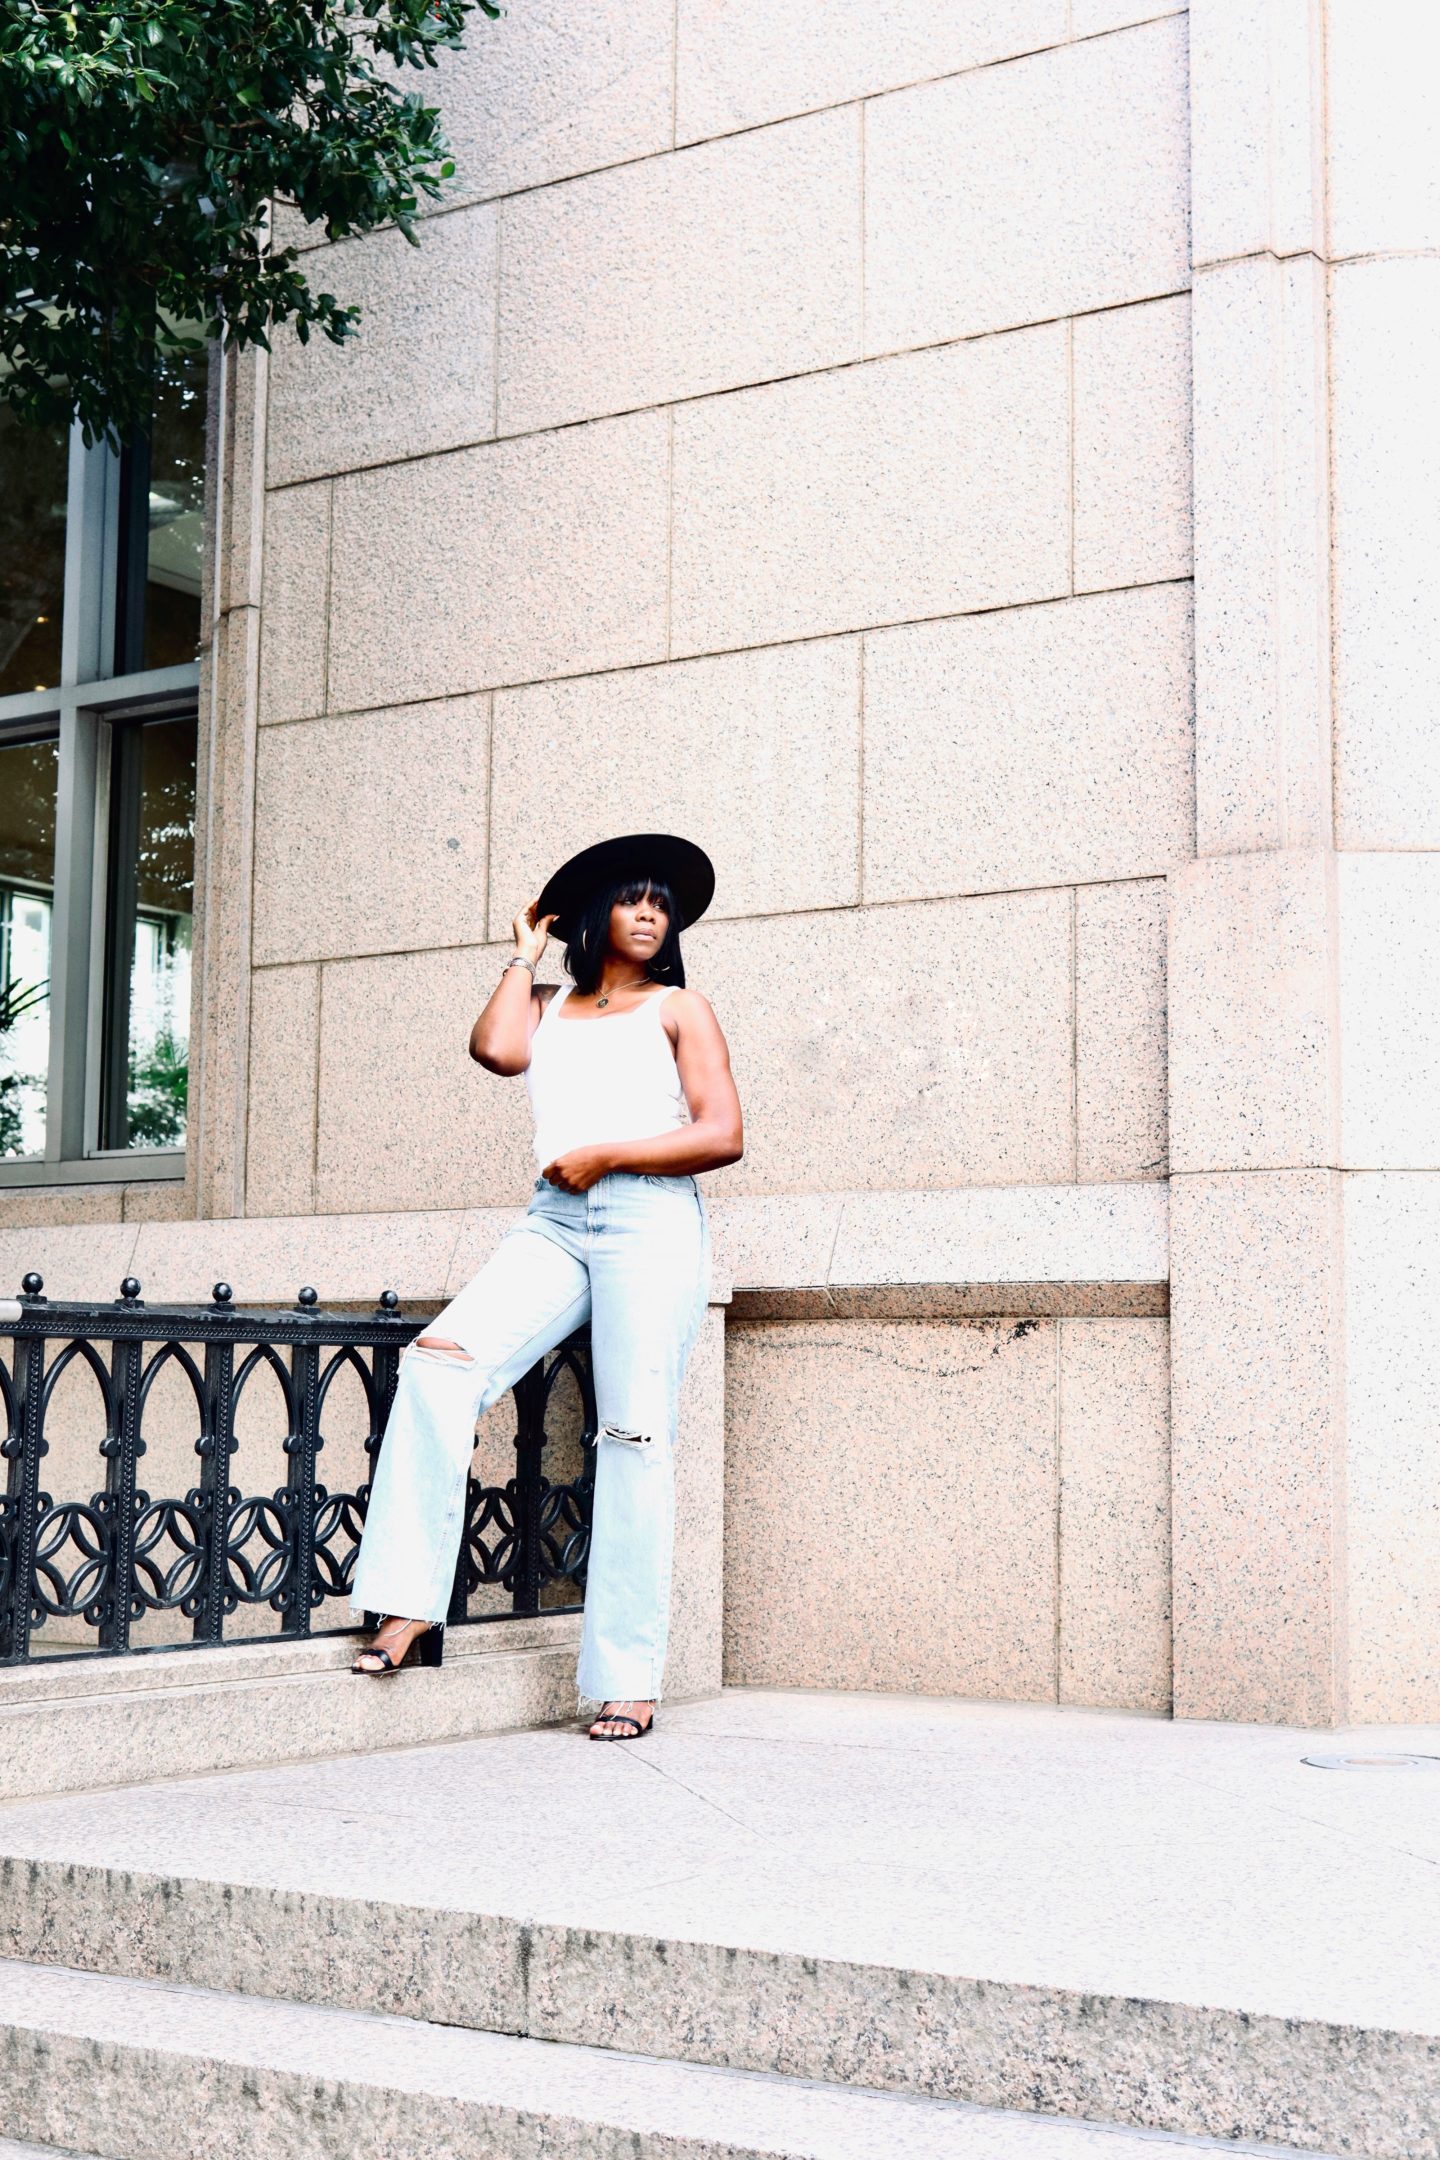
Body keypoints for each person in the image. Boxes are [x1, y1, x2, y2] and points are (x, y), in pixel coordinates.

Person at [348, 832, 743, 1740]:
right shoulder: (550, 1003)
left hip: (649, 1219)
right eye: (634, 898)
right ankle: (409, 1601)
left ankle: (628, 1677)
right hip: (555, 1222)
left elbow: (722, 1133)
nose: (651, 914)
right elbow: (496, 1051)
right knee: (439, 1365)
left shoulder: (681, 1008)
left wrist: (607, 1153)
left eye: (663, 904)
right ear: (596, 910)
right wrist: (522, 955)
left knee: (633, 1433)